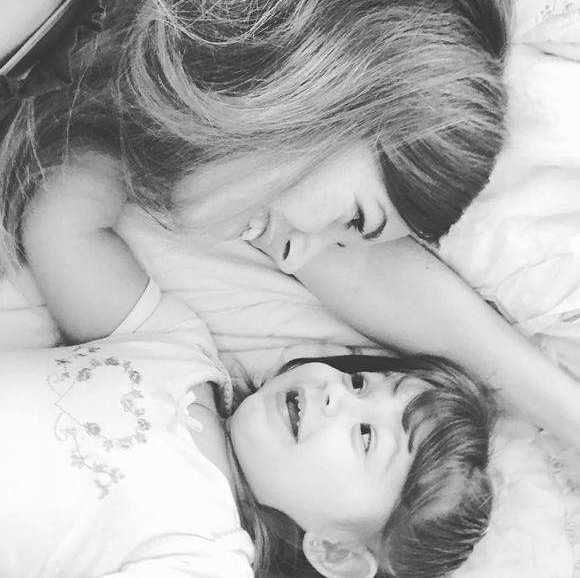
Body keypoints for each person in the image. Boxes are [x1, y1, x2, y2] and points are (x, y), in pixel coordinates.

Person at [3, 0, 580, 453]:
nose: (300, 256)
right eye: (354, 218)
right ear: (322, 96)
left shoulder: (116, 132)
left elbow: (362, 274)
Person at [8, 151, 498, 578]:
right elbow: (63, 234)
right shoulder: (179, 349)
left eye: (366, 436)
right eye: (359, 382)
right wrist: (137, 147)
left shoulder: (205, 558)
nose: (336, 395)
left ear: (336, 551)